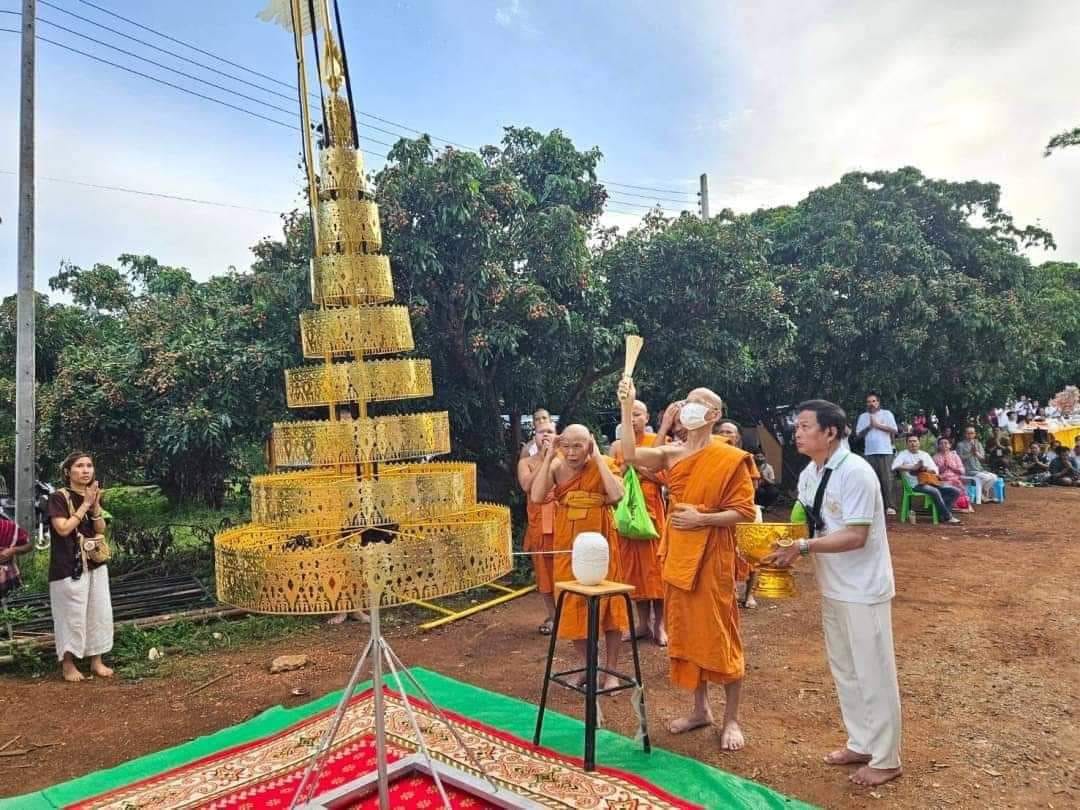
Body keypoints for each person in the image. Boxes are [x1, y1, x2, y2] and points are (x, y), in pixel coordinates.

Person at [764, 400, 902, 788]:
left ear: (831, 432)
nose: (798, 432)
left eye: (806, 426)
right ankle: (861, 742)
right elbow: (805, 523)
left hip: (863, 588)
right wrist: (782, 544)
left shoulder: (855, 472)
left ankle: (887, 757)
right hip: (834, 586)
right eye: (797, 426)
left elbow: (856, 535)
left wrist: (803, 548)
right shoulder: (810, 473)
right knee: (846, 669)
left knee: (873, 673)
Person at [618, 380, 757, 750]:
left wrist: (703, 519)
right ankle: (700, 710)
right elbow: (627, 455)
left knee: (719, 633)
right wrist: (626, 404)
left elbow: (744, 513)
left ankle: (731, 719)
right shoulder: (673, 453)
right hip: (679, 552)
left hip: (714, 554)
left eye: (699, 403)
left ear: (715, 415)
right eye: (686, 401)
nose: (689, 406)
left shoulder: (729, 457)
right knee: (686, 633)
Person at [531, 423, 627, 690]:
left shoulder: (603, 462)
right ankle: (588, 666)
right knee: (572, 605)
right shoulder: (556, 465)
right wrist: (549, 456)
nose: (572, 453)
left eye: (579, 446)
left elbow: (618, 495)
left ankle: (611, 671)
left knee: (609, 605)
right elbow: (538, 496)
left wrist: (597, 457)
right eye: (567, 446)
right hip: (568, 544)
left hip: (601, 541)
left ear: (590, 444)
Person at [48, 451, 114, 682]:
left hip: (94, 562)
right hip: (68, 565)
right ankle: (68, 664)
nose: (85, 470)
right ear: (68, 472)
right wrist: (85, 504)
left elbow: (100, 529)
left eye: (89, 466)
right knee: (70, 615)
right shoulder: (57, 497)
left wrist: (94, 505)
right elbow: (63, 529)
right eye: (79, 466)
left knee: (98, 611)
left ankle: (96, 660)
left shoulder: (92, 494)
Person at [610, 399, 667, 645]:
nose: (633, 419)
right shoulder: (616, 446)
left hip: (652, 513)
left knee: (657, 570)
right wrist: (626, 468)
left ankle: (660, 624)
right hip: (628, 513)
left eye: (638, 414)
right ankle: (642, 624)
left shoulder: (656, 444)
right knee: (633, 571)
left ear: (647, 418)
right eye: (629, 415)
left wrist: (638, 466)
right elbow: (612, 478)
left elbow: (665, 478)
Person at [518, 420, 558, 634]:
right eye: (542, 432)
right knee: (543, 571)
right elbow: (526, 485)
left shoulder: (564, 460)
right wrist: (544, 460)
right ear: (535, 437)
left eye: (550, 432)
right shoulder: (526, 463)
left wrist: (553, 457)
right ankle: (553, 616)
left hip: (562, 520)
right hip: (538, 521)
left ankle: (568, 615)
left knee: (564, 567)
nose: (546, 435)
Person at [891, 435, 961, 524]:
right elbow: (894, 466)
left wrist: (925, 468)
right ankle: (947, 516)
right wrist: (913, 467)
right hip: (914, 485)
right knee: (935, 491)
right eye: (910, 441)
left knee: (955, 491)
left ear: (919, 443)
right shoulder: (903, 454)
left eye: (915, 441)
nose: (913, 443)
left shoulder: (924, 455)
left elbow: (935, 470)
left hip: (929, 481)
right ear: (907, 444)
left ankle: (942, 514)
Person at [855, 392, 898, 516]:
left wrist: (878, 425)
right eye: (869, 402)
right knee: (872, 480)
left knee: (887, 479)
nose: (871, 404)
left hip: (885, 451)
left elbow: (894, 430)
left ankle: (890, 506)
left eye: (873, 401)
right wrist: (869, 426)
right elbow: (858, 435)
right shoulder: (863, 416)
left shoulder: (886, 414)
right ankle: (874, 507)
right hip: (869, 452)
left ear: (878, 402)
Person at [956, 427, 1001, 503]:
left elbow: (983, 459)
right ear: (965, 434)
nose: (970, 435)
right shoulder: (960, 445)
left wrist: (976, 453)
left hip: (979, 469)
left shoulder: (978, 444)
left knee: (994, 477)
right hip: (968, 470)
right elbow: (959, 459)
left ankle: (983, 492)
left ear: (975, 434)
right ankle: (982, 495)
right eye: (968, 433)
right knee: (986, 477)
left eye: (972, 433)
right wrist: (970, 453)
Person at [933, 438, 972, 512]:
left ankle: (959, 506)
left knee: (957, 483)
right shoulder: (935, 457)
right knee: (948, 485)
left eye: (946, 443)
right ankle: (947, 506)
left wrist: (952, 467)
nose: (943, 445)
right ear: (938, 446)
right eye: (941, 443)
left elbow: (962, 471)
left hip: (955, 479)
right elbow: (933, 472)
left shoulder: (955, 456)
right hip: (942, 480)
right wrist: (942, 469)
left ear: (950, 445)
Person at [0, 514, 31, 598]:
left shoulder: (8, 527)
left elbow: (28, 546)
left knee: (13, 606)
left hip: (8, 580)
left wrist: (12, 550)